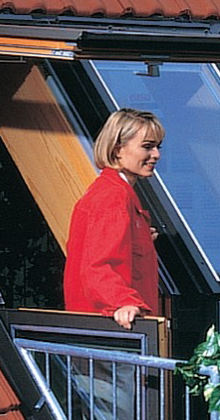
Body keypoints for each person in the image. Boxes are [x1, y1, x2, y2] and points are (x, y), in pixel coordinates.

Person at [63, 108, 165, 419]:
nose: (156, 155)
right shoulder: (113, 197)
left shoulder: (115, 193)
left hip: (107, 336)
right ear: (118, 149)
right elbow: (98, 265)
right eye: (147, 146)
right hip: (110, 336)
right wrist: (122, 301)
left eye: (157, 146)